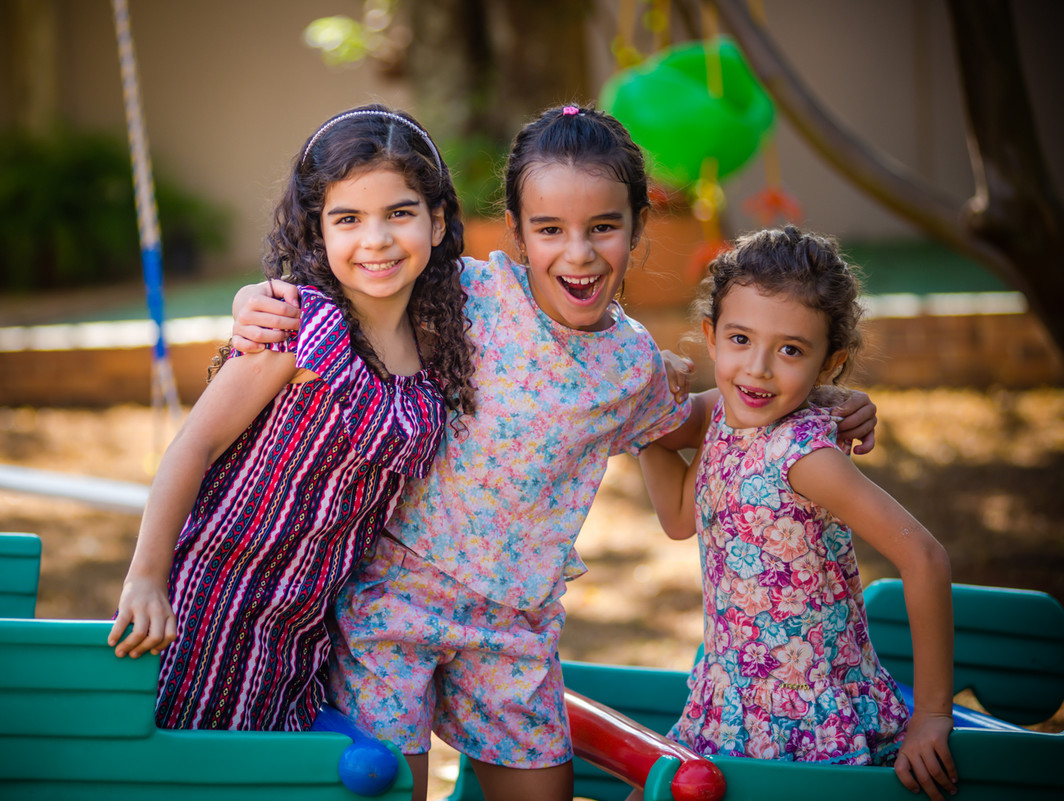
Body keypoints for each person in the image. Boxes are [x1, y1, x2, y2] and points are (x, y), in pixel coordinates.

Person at [229, 106, 879, 801]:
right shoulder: (466, 293)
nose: (579, 253)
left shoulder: (631, 365)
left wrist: (813, 400)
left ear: (637, 226)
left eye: (603, 227)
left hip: (515, 627)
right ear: (516, 230)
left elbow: (695, 421)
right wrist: (251, 301)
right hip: (394, 601)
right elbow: (356, 279)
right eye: (549, 229)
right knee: (391, 788)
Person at [105, 104, 476, 735]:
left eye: (400, 213)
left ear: (437, 223)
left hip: (304, 632)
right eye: (348, 219)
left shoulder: (438, 347)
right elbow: (194, 445)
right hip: (213, 604)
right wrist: (145, 578)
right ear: (317, 230)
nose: (376, 239)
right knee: (191, 762)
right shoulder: (295, 323)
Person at [648, 226, 956, 801]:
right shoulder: (719, 416)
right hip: (729, 703)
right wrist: (650, 402)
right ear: (711, 336)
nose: (758, 368)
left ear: (829, 361)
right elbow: (678, 517)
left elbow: (925, 557)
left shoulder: (805, 458)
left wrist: (934, 715)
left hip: (807, 720)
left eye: (790, 350)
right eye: (741, 339)